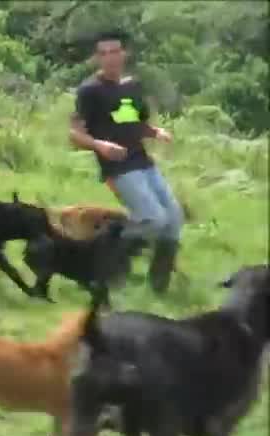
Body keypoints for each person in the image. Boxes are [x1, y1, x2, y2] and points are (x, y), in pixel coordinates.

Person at [69, 29, 183, 294]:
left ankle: (158, 287)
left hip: (143, 161)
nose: (109, 58)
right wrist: (100, 145)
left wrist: (156, 132)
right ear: (97, 58)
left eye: (114, 52)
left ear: (124, 54)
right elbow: (74, 133)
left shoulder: (131, 86)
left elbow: (133, 120)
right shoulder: (90, 91)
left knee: (174, 219)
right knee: (153, 219)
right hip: (118, 168)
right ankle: (103, 249)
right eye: (103, 53)